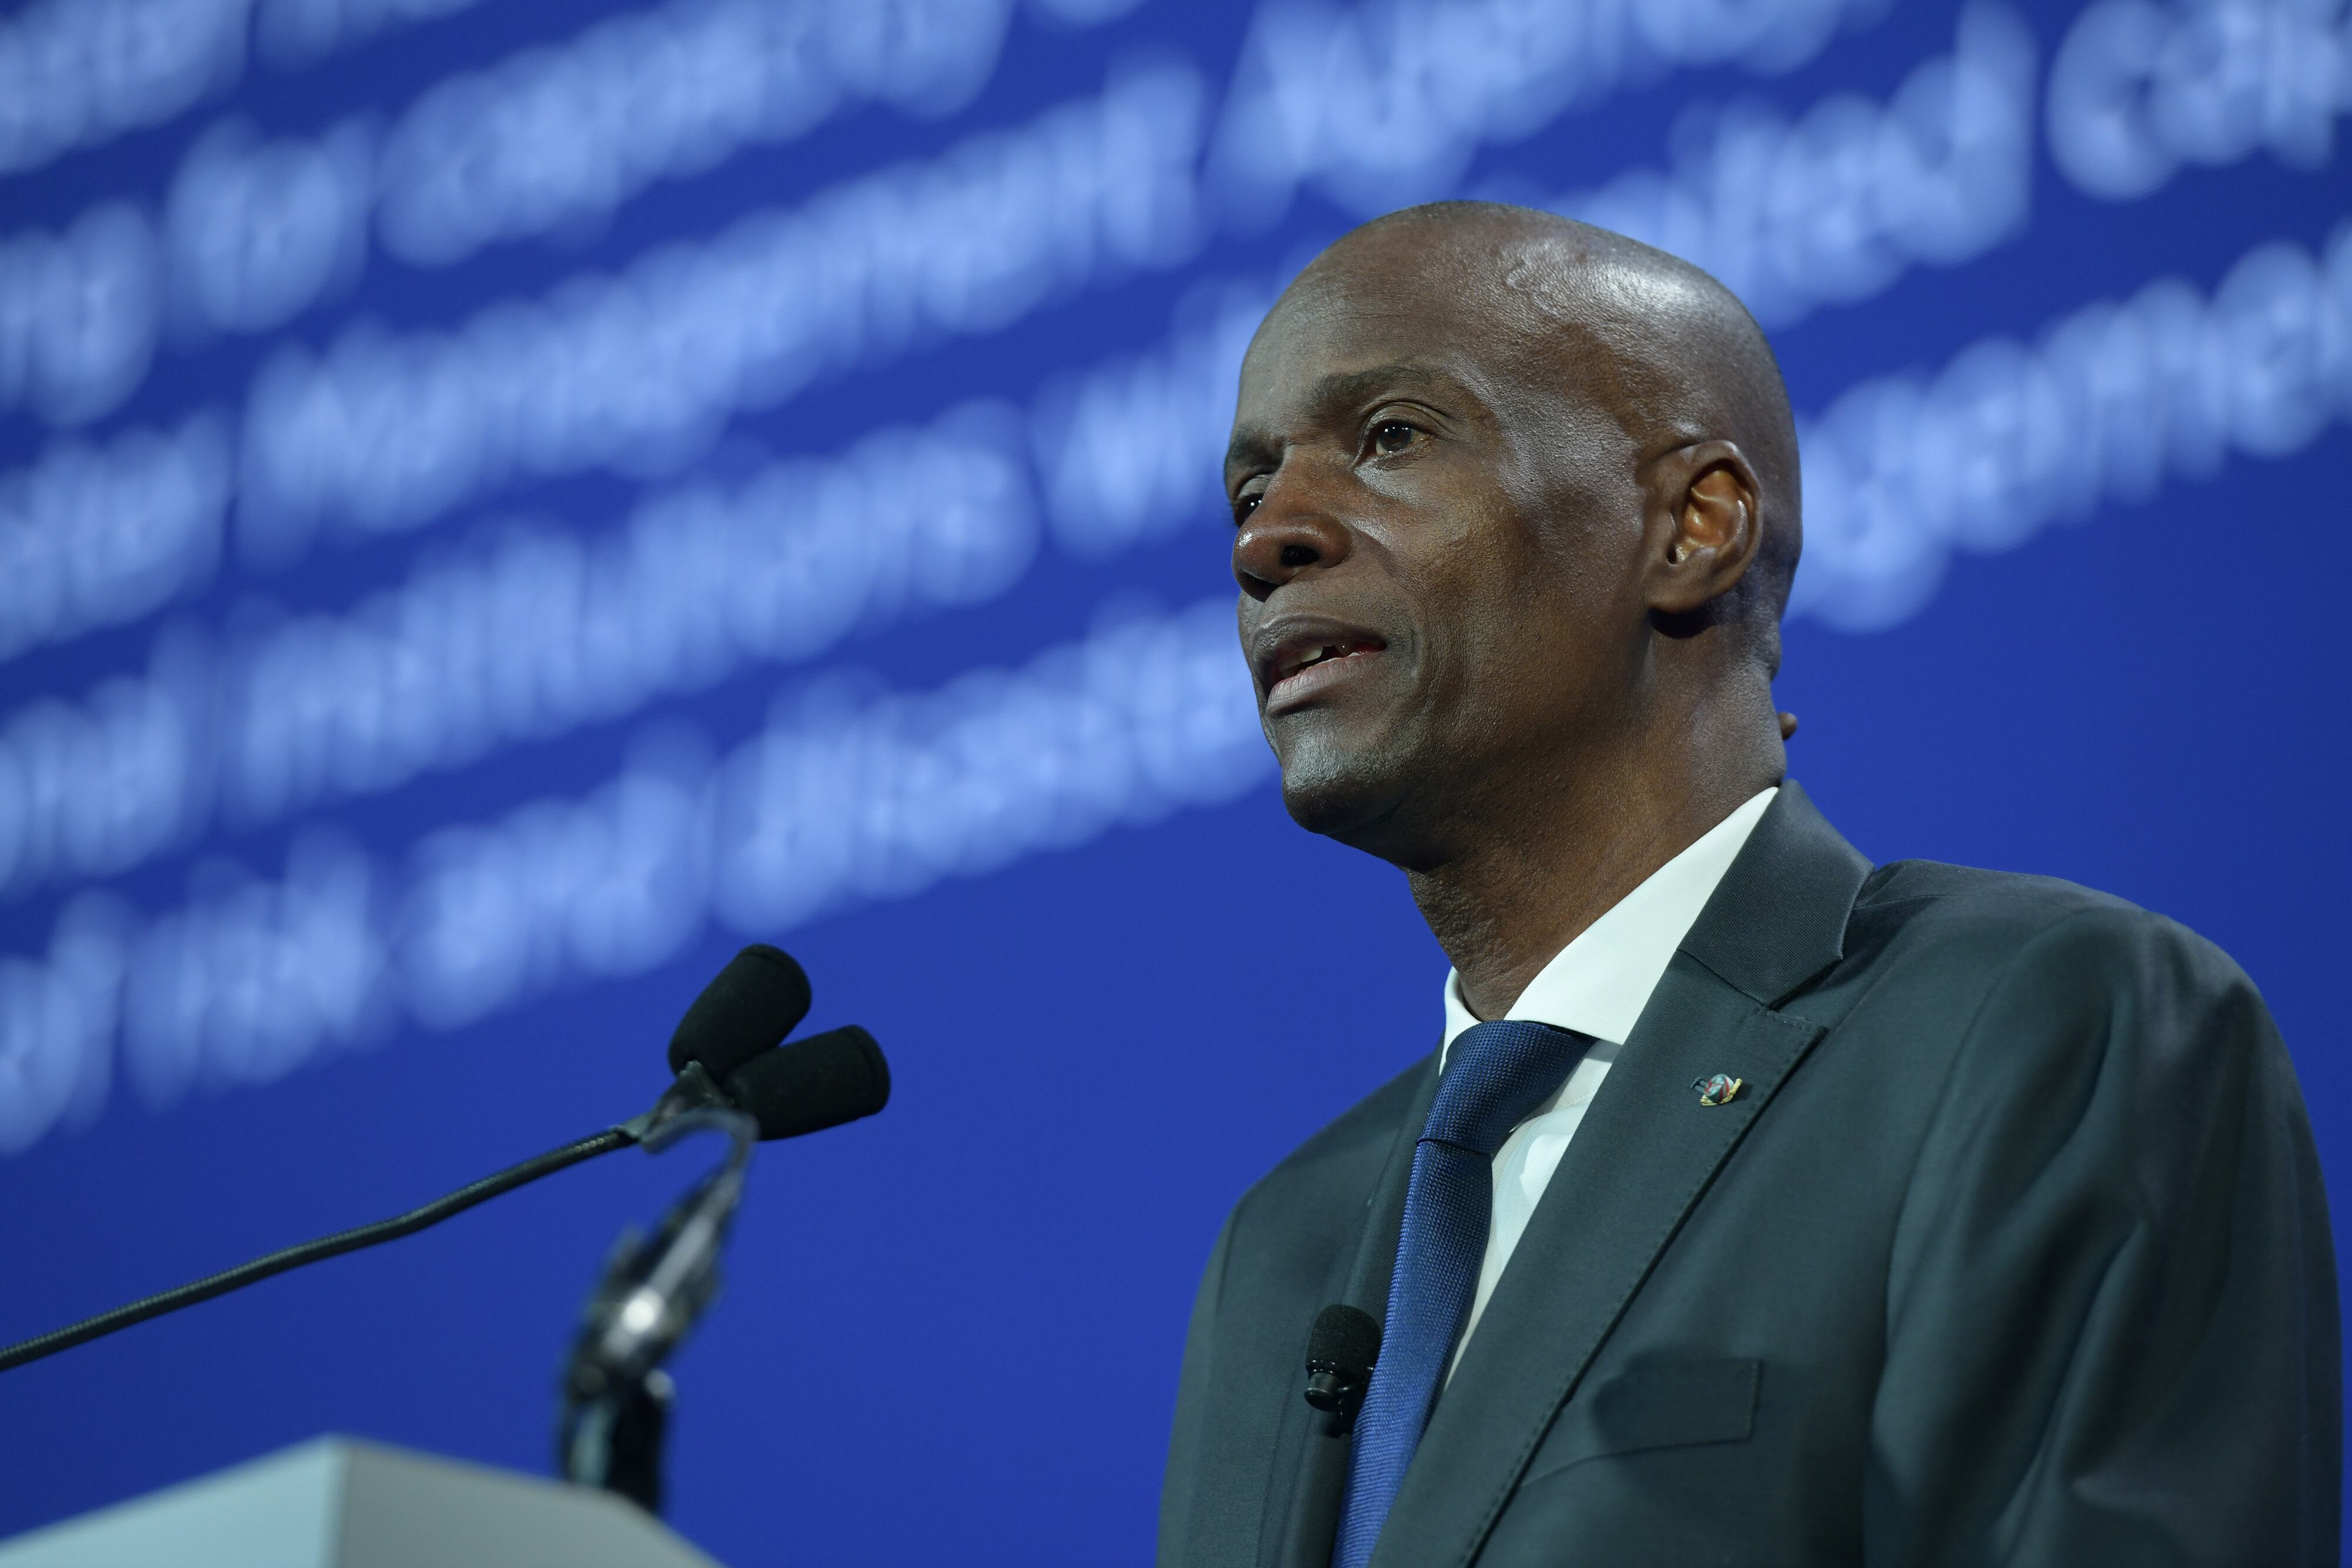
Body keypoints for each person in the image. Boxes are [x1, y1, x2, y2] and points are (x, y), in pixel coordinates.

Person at [1157, 202, 2339, 1568]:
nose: (1265, 543)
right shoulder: (1284, 1246)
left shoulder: (2032, 1029)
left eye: (1391, 437)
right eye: (1250, 494)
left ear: (1694, 525)